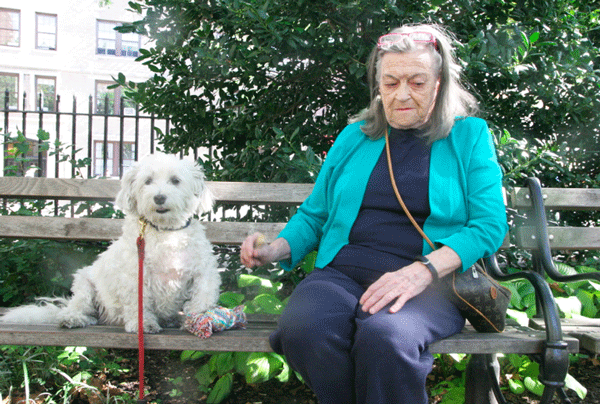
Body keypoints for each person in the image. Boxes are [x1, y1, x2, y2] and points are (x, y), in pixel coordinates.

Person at [240, 23, 507, 404]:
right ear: (377, 84)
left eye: (416, 82)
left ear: (439, 83)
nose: (401, 95)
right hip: (343, 274)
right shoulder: (355, 136)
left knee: (385, 338)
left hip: (428, 283)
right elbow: (315, 214)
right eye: (390, 82)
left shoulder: (469, 137)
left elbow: (489, 225)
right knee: (304, 329)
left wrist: (423, 270)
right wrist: (275, 249)